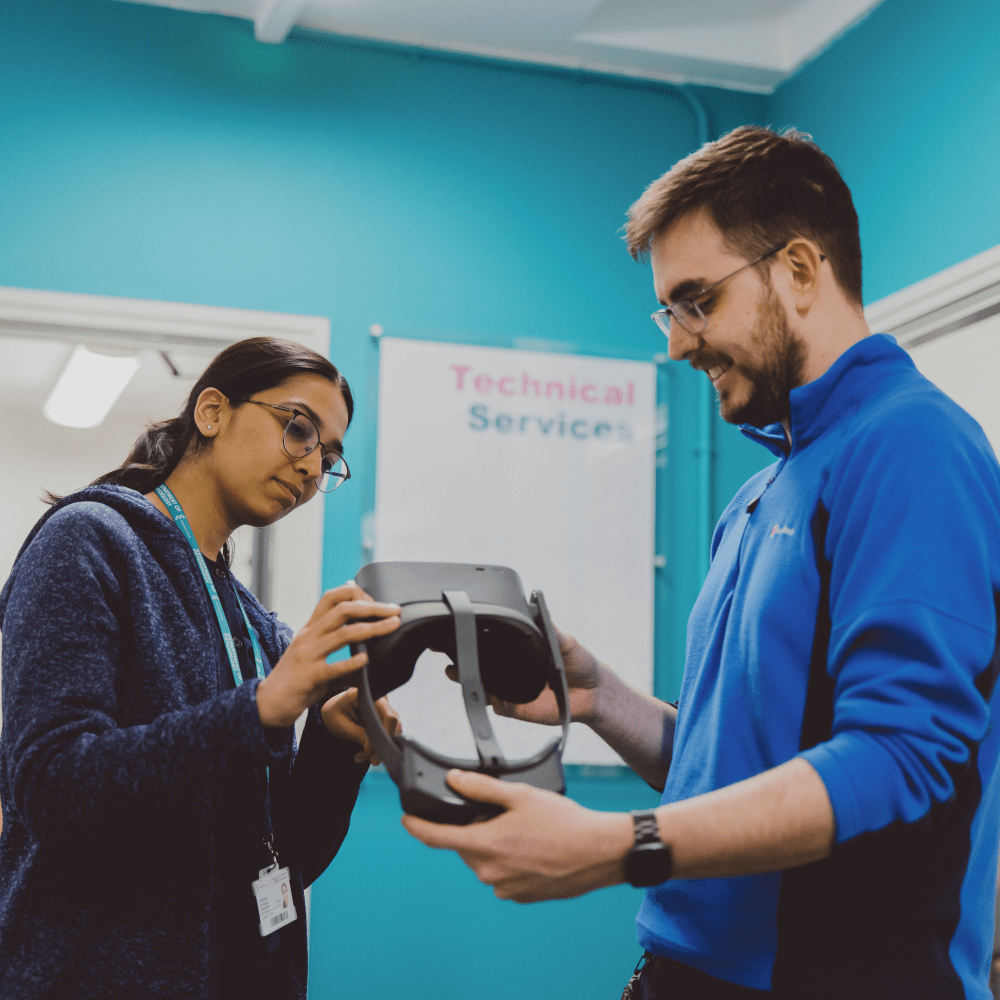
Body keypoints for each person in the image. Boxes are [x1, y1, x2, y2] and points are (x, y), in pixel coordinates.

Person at [403, 127, 1000, 999]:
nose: (679, 344)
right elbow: (738, 769)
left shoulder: (913, 446)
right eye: (669, 311)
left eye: (697, 301)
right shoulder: (762, 492)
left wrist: (619, 844)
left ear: (799, 269)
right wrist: (601, 696)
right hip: (688, 973)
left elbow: (901, 756)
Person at [0, 337, 402, 1000]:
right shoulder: (87, 540)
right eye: (299, 429)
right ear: (212, 412)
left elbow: (284, 858)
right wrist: (258, 709)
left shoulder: (254, 623)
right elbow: (52, 787)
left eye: (328, 457)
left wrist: (335, 744)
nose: (310, 467)